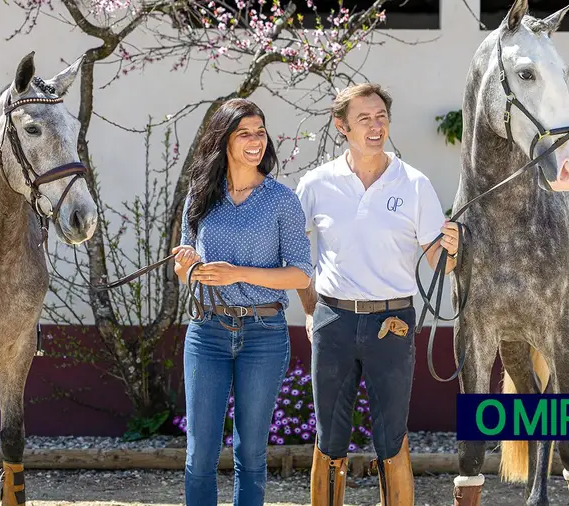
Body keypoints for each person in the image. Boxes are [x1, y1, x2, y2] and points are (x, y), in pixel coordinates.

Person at [295, 84, 461, 506]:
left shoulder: (415, 183)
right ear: (342, 126)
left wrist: (453, 251)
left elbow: (438, 265)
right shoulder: (316, 183)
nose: (375, 126)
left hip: (394, 322)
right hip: (333, 320)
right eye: (364, 118)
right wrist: (312, 311)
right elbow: (295, 258)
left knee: (391, 433)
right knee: (329, 435)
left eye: (381, 117)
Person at [171, 98, 313, 506]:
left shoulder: (281, 200)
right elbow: (184, 267)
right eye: (244, 133)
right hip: (207, 332)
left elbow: (301, 273)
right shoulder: (200, 196)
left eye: (260, 132)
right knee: (200, 454)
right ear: (224, 140)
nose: (255, 141)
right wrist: (190, 268)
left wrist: (238, 273)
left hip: (264, 334)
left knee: (251, 453)